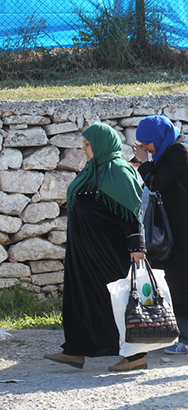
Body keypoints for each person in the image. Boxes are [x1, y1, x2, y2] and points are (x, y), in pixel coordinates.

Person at [44, 123, 148, 372]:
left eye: (88, 144)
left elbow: (131, 214)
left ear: (101, 144)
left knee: (115, 302)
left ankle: (135, 357)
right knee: (80, 299)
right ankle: (76, 350)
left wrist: (137, 247)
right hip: (84, 253)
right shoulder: (92, 170)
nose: (83, 148)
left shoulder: (118, 171)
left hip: (108, 253)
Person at [133, 115, 188, 353]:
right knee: (169, 281)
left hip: (181, 229)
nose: (145, 148)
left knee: (182, 280)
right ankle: (175, 336)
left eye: (147, 143)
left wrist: (144, 162)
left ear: (158, 137)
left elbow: (155, 182)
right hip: (169, 225)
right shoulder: (165, 154)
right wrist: (147, 161)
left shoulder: (179, 153)